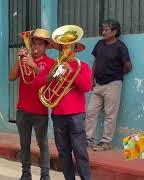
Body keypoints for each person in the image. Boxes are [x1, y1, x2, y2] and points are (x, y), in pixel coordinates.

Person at [34, 26, 92, 180]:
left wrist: (72, 72)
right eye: (62, 47)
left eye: (68, 47)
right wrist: (51, 78)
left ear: (75, 48)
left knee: (80, 152)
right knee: (63, 153)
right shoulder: (56, 67)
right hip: (58, 114)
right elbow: (39, 84)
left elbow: (86, 86)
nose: (64, 50)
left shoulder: (82, 66)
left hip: (76, 115)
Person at [9, 28, 55, 180]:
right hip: (22, 110)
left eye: (39, 45)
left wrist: (34, 66)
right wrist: (19, 60)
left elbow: (48, 81)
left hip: (40, 110)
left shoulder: (51, 63)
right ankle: (25, 174)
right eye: (33, 43)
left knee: (43, 145)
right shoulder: (25, 60)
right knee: (24, 145)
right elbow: (11, 77)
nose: (35, 47)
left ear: (46, 46)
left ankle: (45, 176)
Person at [85, 19, 132, 151]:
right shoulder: (99, 44)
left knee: (110, 115)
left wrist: (115, 75)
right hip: (98, 85)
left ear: (114, 32)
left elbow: (128, 66)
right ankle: (88, 140)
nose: (103, 32)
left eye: (106, 30)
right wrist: (91, 79)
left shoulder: (120, 47)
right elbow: (95, 62)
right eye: (103, 29)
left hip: (113, 85)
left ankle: (106, 143)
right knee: (91, 112)